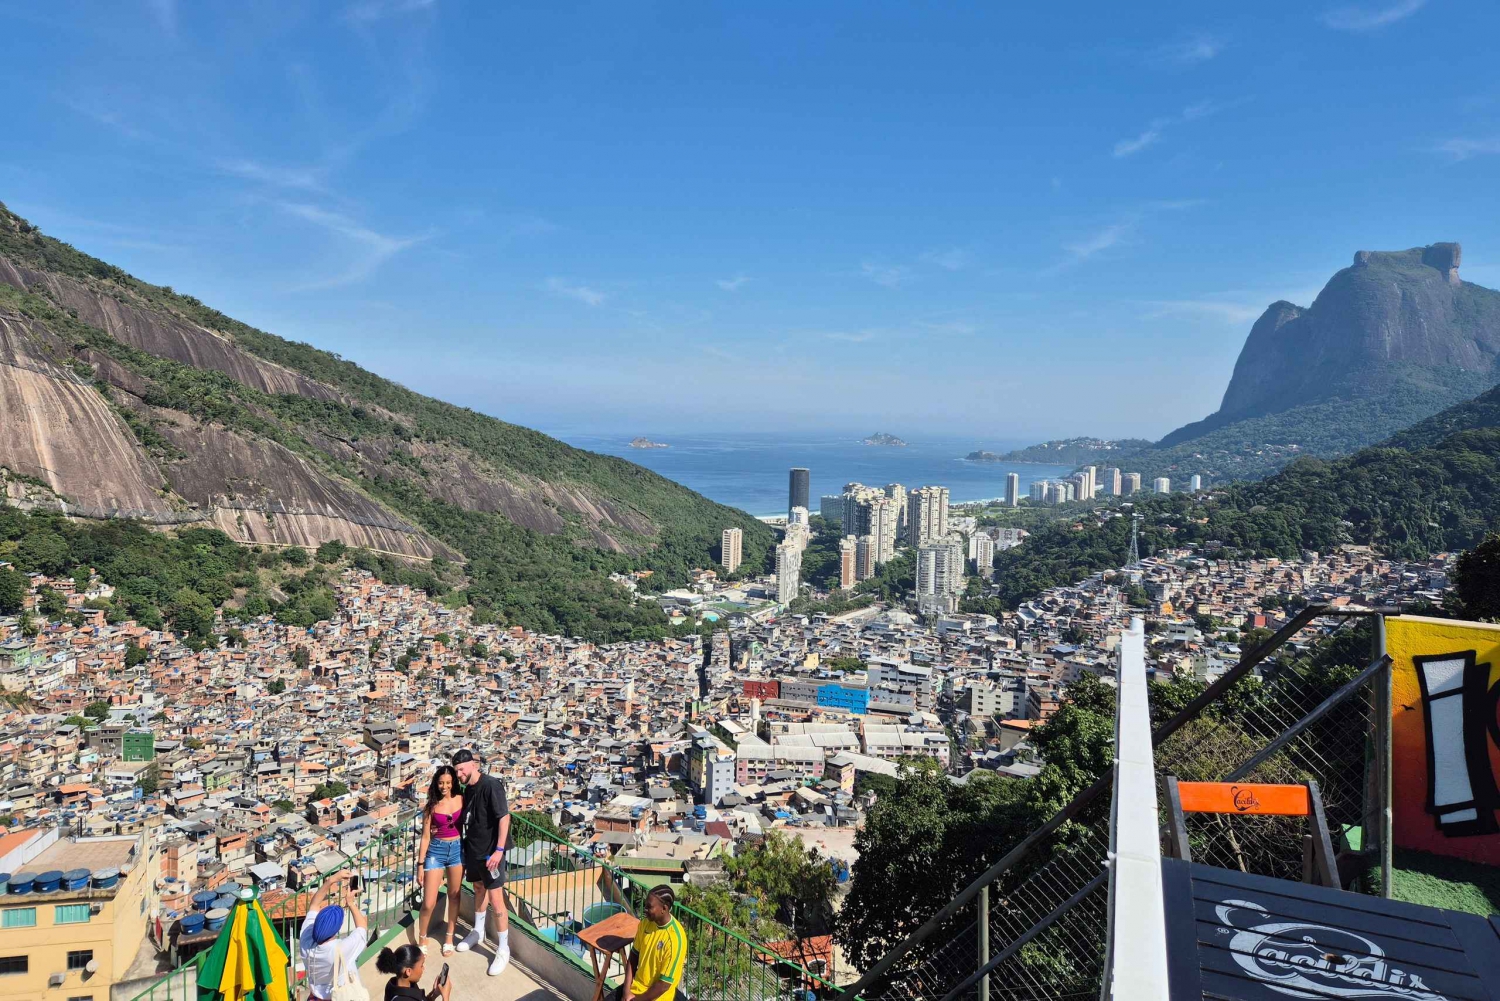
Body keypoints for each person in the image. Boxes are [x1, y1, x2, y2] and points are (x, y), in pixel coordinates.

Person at [451, 749, 511, 975]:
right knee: (478, 889)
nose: (459, 774)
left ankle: (504, 949)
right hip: (474, 850)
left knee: (497, 900)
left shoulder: (491, 785)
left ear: (473, 765)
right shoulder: (469, 789)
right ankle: (478, 931)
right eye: (457, 771)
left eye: (461, 769)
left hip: (491, 854)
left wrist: (499, 850)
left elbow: (504, 817)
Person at [412, 765, 464, 955]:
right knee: (428, 902)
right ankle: (422, 937)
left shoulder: (461, 799)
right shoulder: (431, 807)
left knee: (454, 895)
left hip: (457, 849)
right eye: (441, 783)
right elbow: (425, 837)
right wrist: (420, 865)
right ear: (436, 783)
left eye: (448, 783)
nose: (444, 787)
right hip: (436, 851)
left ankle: (449, 936)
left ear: (453, 783)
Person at [300, 871, 369, 1001]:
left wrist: (331, 880)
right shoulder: (341, 948)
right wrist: (351, 903)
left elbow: (314, 905)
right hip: (339, 996)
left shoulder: (306, 939)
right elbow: (362, 929)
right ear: (336, 929)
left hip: (315, 997)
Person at [621, 886, 688, 1001]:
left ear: (664, 908)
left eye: (649, 907)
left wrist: (637, 1000)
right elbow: (633, 957)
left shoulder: (675, 940)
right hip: (636, 989)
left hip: (657, 997)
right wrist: (626, 992)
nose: (644, 909)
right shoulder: (645, 923)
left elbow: (664, 985)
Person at [376, 943, 453, 1001]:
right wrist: (446, 997)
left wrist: (434, 994)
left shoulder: (394, 985)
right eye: (421, 965)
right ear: (408, 971)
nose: (423, 968)